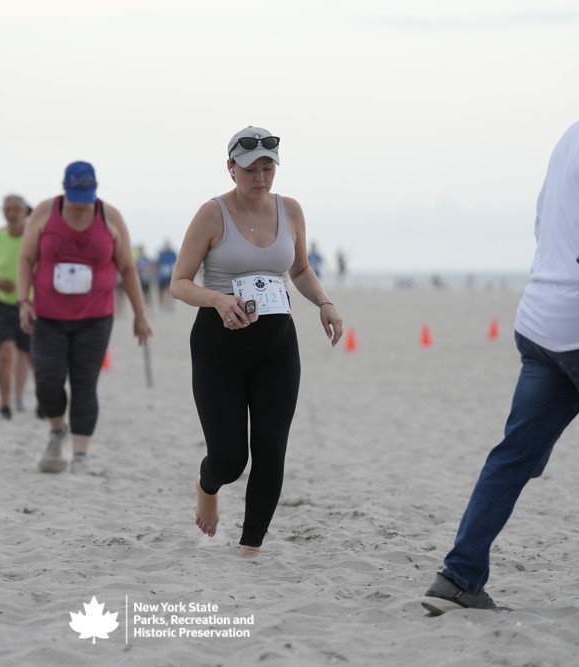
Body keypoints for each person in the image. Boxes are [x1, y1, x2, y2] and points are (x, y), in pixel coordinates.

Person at [420, 35, 579, 623]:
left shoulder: (577, 134)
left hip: (541, 325)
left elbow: (544, 220)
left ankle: (458, 577)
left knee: (514, 455)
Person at [170, 126, 343, 558]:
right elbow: (179, 283)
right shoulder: (212, 214)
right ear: (231, 167)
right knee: (230, 460)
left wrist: (324, 303)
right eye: (250, 169)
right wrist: (217, 299)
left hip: (277, 344)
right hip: (219, 345)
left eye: (268, 168)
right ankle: (207, 486)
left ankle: (251, 549)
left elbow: (300, 270)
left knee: (271, 450)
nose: (260, 177)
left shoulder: (291, 210)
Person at [18, 161, 152, 474]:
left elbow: (127, 268)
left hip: (95, 316)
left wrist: (140, 315)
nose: (80, 206)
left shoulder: (110, 216)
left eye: (86, 198)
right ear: (64, 189)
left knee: (84, 384)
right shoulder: (44, 212)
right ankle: (57, 433)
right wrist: (23, 301)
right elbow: (26, 258)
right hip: (47, 315)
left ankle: (80, 455)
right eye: (75, 198)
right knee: (47, 382)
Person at [0, 194, 35, 419]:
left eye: (16, 209)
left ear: (26, 212)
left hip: (31, 305)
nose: (12, 214)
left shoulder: (35, 237)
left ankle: (43, 402)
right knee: (6, 352)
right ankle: (5, 404)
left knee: (33, 357)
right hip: (3, 304)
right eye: (7, 209)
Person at [156, 241, 178, 310]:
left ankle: (170, 305)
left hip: (170, 276)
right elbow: (158, 264)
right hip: (162, 276)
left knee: (170, 291)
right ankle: (162, 305)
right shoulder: (161, 253)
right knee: (161, 291)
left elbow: (176, 263)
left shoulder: (173, 253)